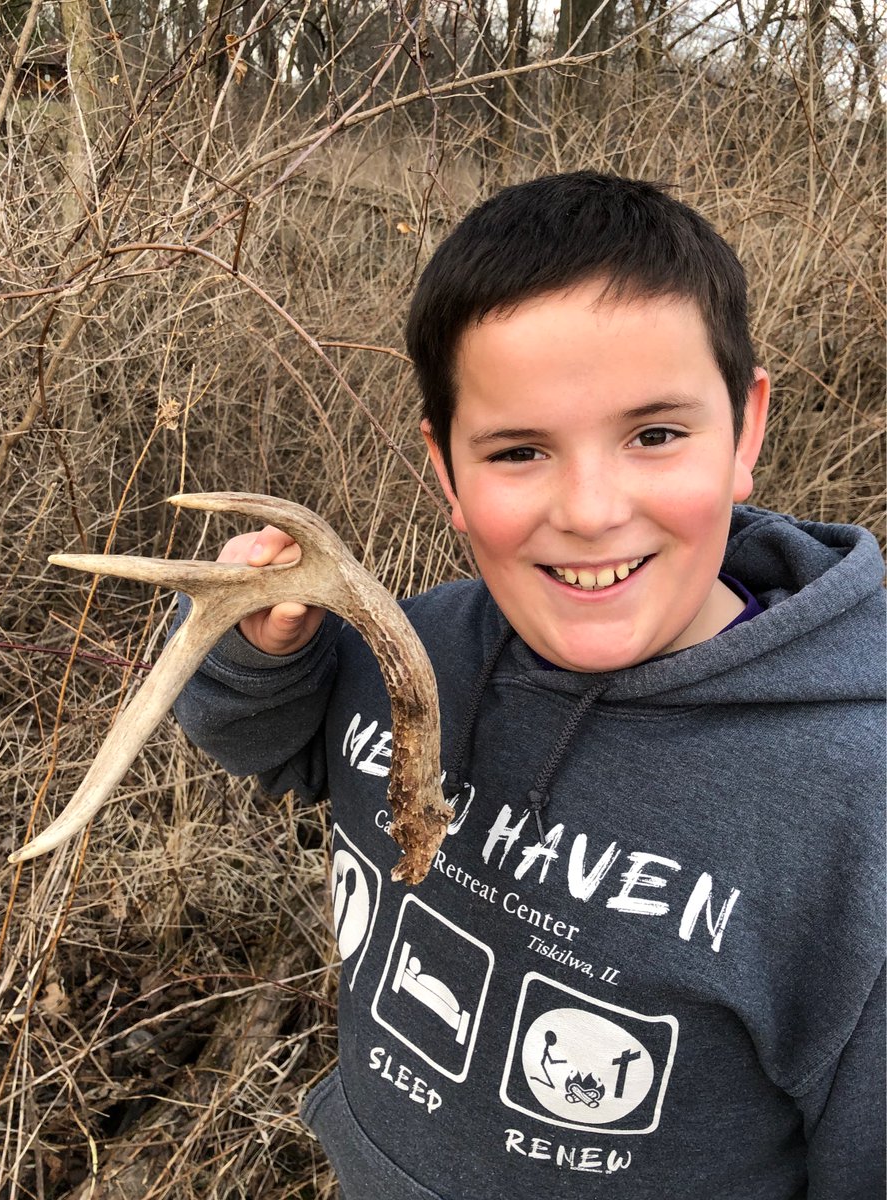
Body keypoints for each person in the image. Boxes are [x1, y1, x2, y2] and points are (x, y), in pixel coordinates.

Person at [171, 172, 885, 1199]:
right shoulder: (421, 646)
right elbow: (282, 744)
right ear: (447, 471)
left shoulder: (859, 809)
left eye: (655, 434)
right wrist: (263, 654)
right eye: (518, 450)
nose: (591, 511)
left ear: (747, 428)